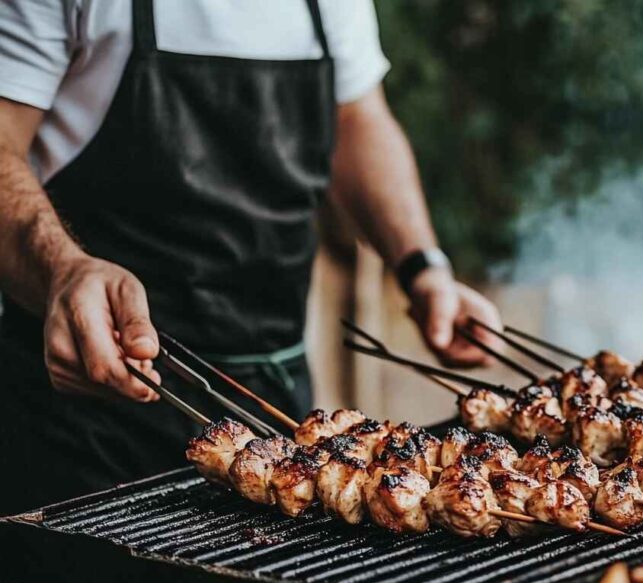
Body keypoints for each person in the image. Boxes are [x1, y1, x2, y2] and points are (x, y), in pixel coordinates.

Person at [0, 0, 502, 514]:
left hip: (274, 407)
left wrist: (421, 267)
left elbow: (356, 119)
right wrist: (61, 267)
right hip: (89, 417)